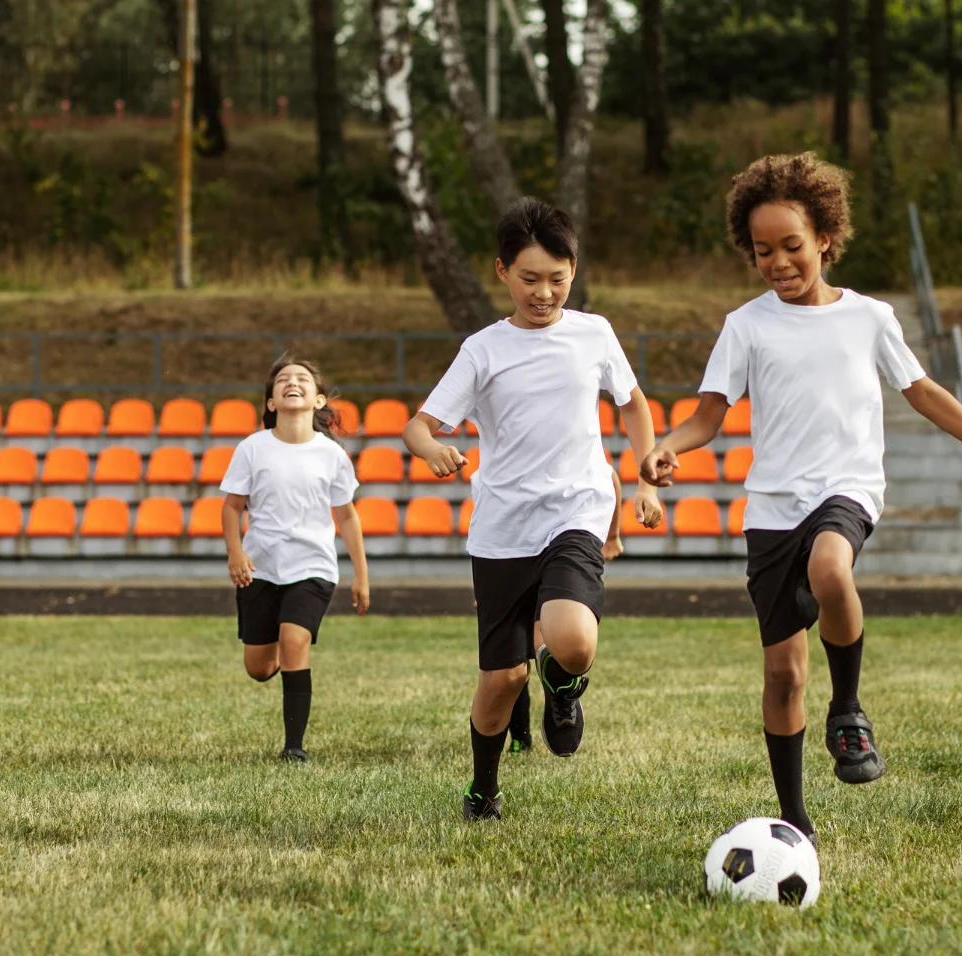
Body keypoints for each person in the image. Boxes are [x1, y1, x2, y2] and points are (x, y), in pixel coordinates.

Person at [640, 152, 962, 841]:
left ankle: (850, 713)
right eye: (762, 250)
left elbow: (925, 394)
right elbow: (709, 415)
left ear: (825, 238)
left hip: (847, 489)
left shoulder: (871, 318)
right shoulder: (746, 326)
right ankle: (794, 819)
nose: (778, 262)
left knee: (831, 568)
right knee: (782, 676)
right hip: (773, 508)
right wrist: (667, 445)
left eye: (792, 246)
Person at [403, 197, 662, 821]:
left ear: (574, 270)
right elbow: (418, 425)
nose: (544, 292)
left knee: (573, 642)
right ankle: (483, 789)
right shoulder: (482, 350)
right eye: (529, 279)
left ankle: (566, 687)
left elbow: (632, 405)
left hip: (576, 507)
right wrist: (435, 448)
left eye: (557, 278)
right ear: (501, 272)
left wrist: (645, 471)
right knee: (503, 678)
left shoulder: (594, 333)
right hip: (501, 529)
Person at [221, 356, 371, 762]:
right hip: (261, 567)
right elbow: (233, 507)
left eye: (302, 379)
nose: (292, 382)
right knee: (258, 666)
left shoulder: (332, 455)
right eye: (283, 380)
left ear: (318, 400)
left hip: (313, 567)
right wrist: (236, 552)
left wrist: (361, 575)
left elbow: (346, 516)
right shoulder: (252, 448)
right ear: (270, 402)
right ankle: (280, 658)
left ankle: (294, 747)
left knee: (294, 640)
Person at [507, 466, 626, 755]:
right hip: (515, 547)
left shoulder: (571, 439)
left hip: (566, 544)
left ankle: (559, 687)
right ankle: (520, 738)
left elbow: (608, 475)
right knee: (510, 663)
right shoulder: (505, 455)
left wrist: (612, 535)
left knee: (544, 643)